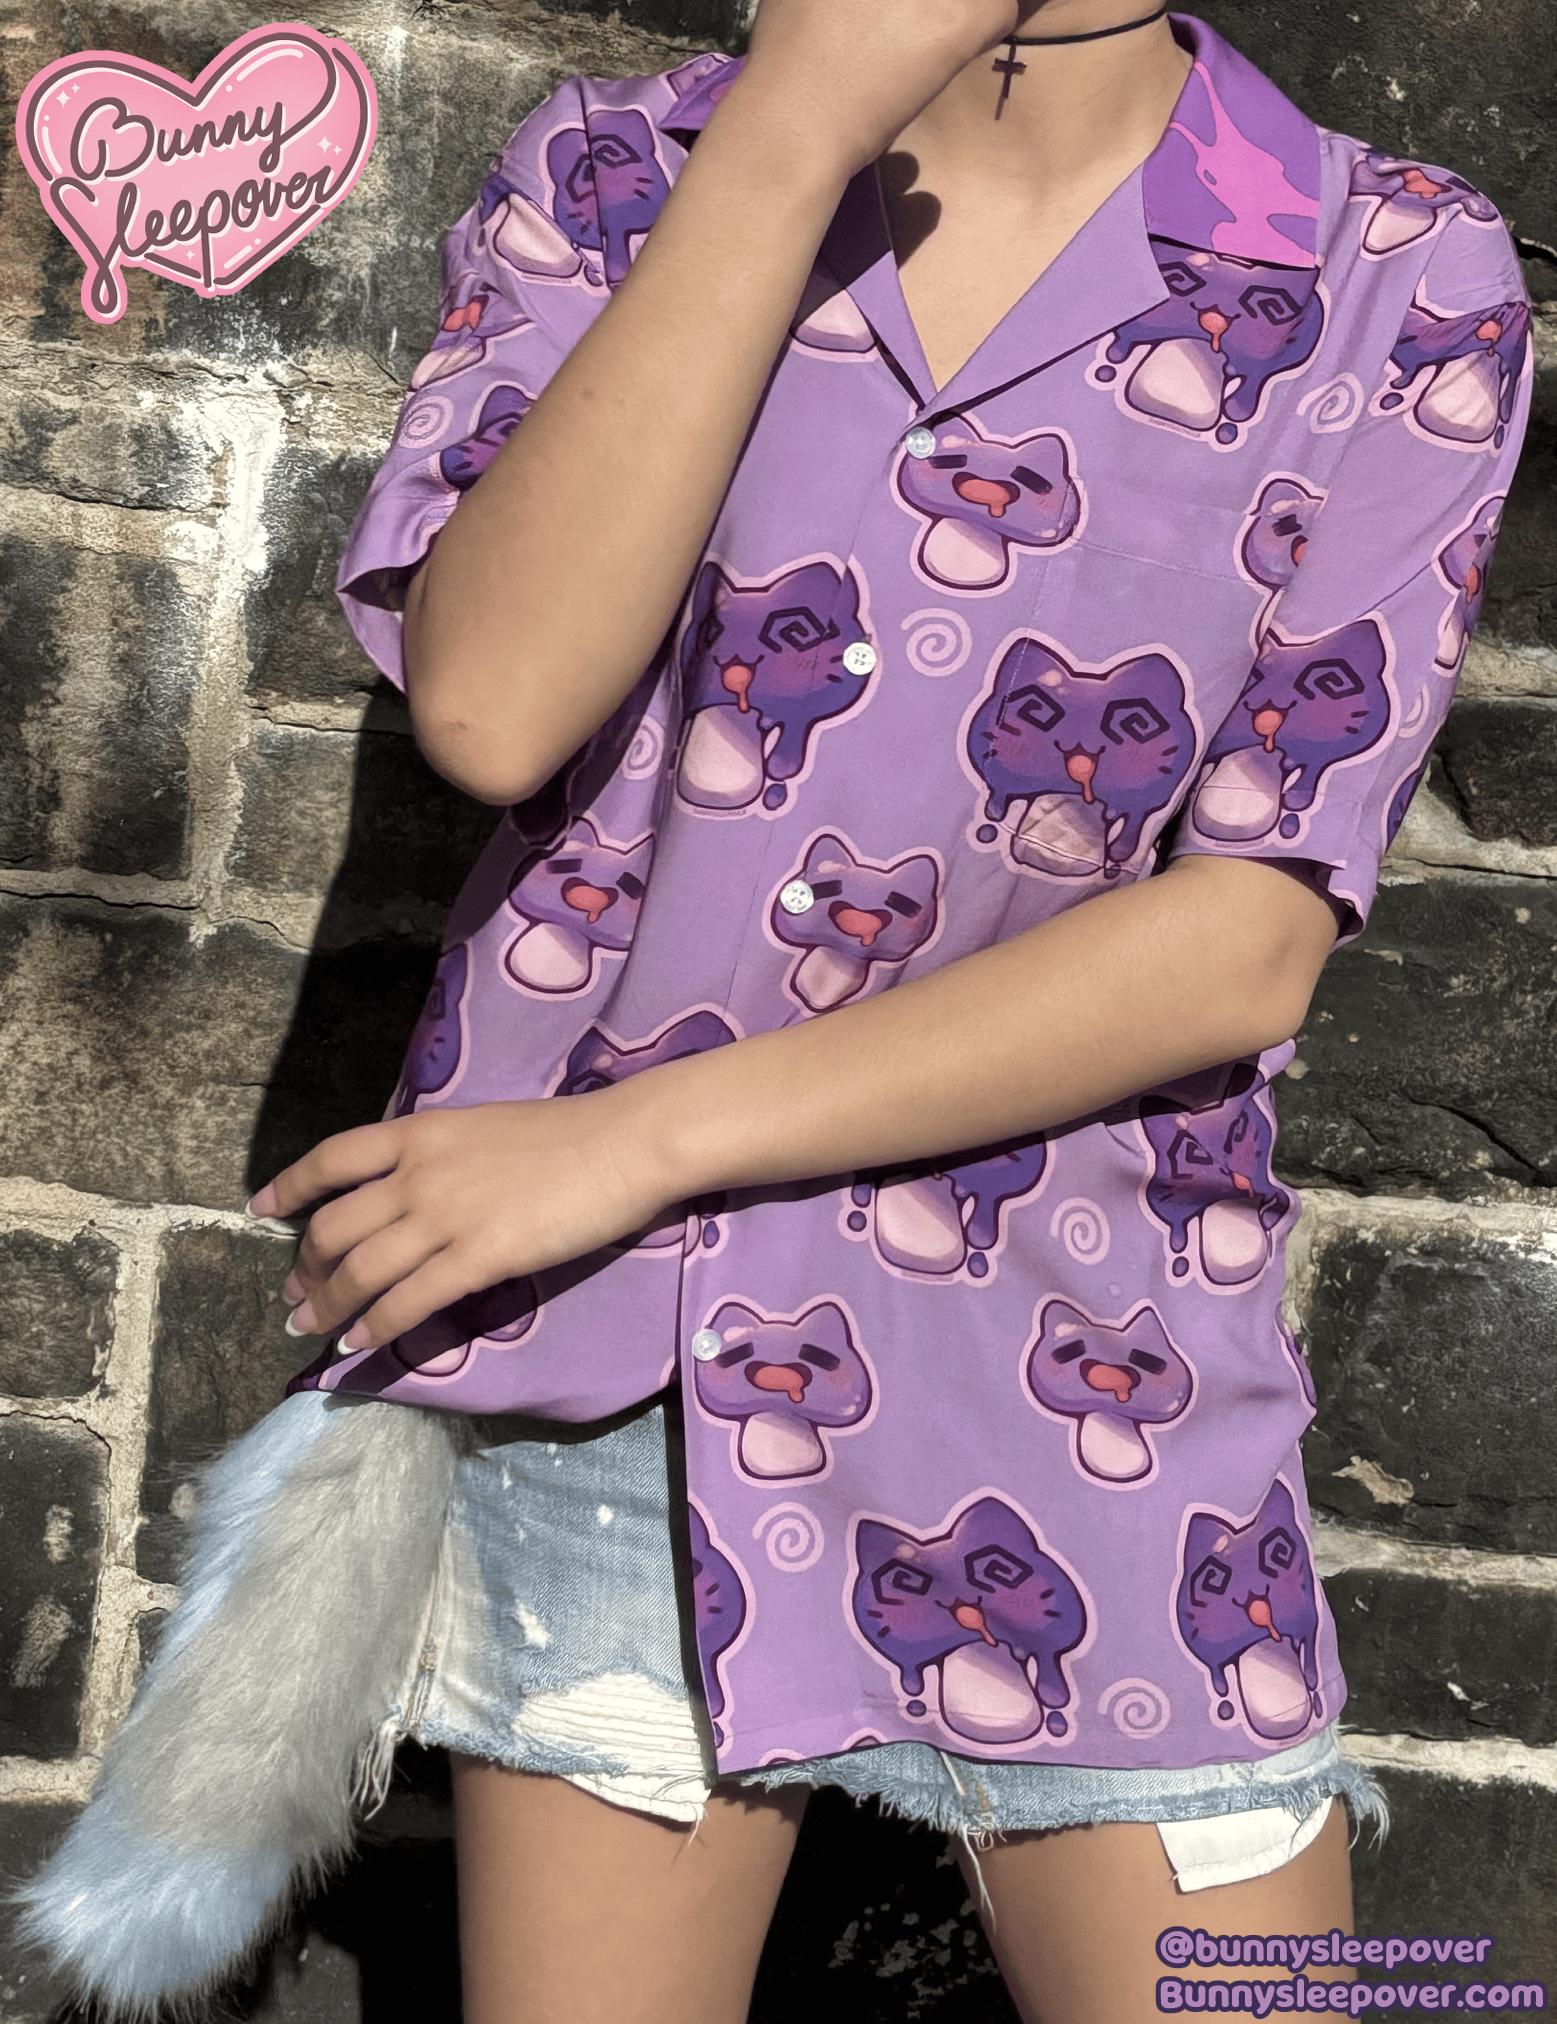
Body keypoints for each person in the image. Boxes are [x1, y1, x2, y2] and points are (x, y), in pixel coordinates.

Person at [17, 4, 1531, 2021]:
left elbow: (1244, 935)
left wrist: (630, 1138)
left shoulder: (1389, 261)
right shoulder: (623, 170)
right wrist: (796, 125)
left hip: (1100, 1359)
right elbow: (495, 703)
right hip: (624, 1360)